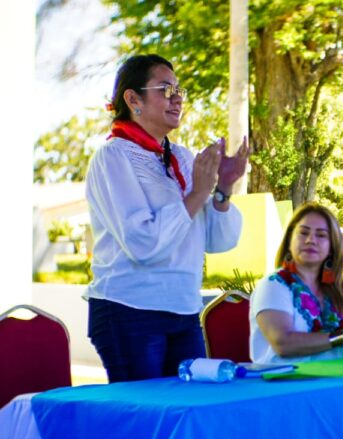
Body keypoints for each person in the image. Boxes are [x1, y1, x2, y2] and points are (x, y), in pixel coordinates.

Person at [86, 54, 249, 382]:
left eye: (179, 90)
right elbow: (142, 244)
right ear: (133, 99)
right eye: (164, 89)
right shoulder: (113, 157)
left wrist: (224, 190)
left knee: (186, 415)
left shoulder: (183, 158)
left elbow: (218, 242)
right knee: (146, 422)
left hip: (184, 309)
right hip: (129, 311)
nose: (177, 98)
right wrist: (198, 194)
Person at [250, 203, 343, 363]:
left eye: (321, 235)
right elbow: (283, 344)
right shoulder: (274, 285)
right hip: (287, 385)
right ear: (290, 240)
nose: (311, 240)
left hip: (339, 382)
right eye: (303, 233)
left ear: (332, 246)